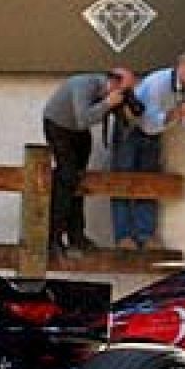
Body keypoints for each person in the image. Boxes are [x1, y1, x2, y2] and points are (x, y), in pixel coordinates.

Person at [117, 50, 185, 249]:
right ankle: (123, 236)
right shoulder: (159, 82)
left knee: (151, 182)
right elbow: (149, 122)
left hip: (154, 134)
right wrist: (178, 112)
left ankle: (146, 234)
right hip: (131, 131)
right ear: (181, 66)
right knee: (122, 181)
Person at [42, 66, 137, 253]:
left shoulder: (108, 93)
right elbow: (83, 119)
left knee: (79, 180)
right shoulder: (84, 84)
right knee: (67, 177)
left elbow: (124, 121)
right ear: (114, 82)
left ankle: (76, 236)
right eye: (125, 89)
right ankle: (52, 236)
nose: (126, 94)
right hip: (59, 126)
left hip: (78, 132)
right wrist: (108, 103)